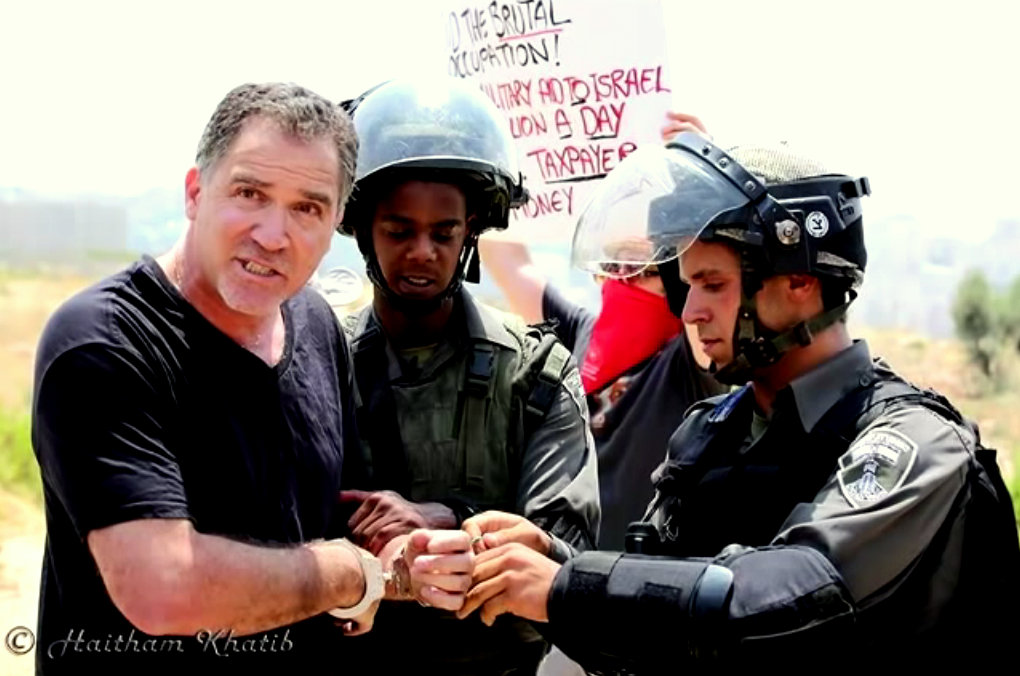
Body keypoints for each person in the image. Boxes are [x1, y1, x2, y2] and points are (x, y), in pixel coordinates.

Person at [457, 134, 1020, 670]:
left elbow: (788, 598)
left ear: (799, 280)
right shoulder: (713, 431)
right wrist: (552, 562)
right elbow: (658, 594)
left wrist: (564, 587)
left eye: (713, 284)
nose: (691, 312)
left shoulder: (913, 443)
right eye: (687, 287)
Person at [31, 82, 473, 675]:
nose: (272, 234)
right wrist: (351, 575)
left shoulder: (315, 324)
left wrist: (400, 552)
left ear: (337, 221)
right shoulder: (104, 344)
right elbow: (165, 589)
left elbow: (323, 513)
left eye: (307, 208)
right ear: (195, 192)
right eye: (250, 193)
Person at [332, 77, 600, 675]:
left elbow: (563, 558)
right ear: (363, 229)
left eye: (444, 232)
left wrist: (443, 520)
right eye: (400, 230)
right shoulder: (319, 364)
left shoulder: (537, 375)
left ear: (471, 230)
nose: (422, 251)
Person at [478, 112, 727, 550]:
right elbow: (509, 262)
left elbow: (714, 264)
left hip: (646, 588)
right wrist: (488, 174)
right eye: (612, 265)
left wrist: (704, 172)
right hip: (568, 582)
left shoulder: (693, 360)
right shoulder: (579, 333)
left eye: (641, 268)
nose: (621, 281)